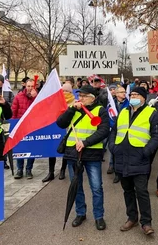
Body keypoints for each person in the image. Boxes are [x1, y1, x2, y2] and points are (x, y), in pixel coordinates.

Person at [109, 87, 158, 235]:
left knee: (142, 192)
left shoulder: (152, 113)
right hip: (122, 158)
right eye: (131, 94)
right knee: (127, 191)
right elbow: (114, 131)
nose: (133, 96)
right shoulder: (123, 111)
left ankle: (146, 222)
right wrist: (112, 147)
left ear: (144, 98)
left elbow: (157, 136)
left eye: (136, 94)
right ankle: (132, 218)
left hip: (139, 158)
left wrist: (146, 151)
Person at [56, 85, 110, 230]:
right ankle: (80, 213)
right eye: (79, 96)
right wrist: (71, 109)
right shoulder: (73, 108)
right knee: (76, 186)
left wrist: (86, 142)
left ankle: (99, 216)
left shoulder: (100, 110)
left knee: (96, 187)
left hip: (92, 154)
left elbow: (104, 130)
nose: (80, 98)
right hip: (73, 154)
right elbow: (60, 123)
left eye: (84, 96)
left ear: (92, 98)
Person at [42, 83, 75, 182]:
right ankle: (51, 172)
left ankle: (62, 170)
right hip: (55, 128)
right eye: (63, 91)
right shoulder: (56, 101)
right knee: (52, 150)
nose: (64, 93)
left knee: (64, 150)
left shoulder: (74, 101)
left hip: (67, 129)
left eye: (67, 91)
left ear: (70, 92)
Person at [13, 78, 37, 179]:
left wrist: (35, 98)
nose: (30, 88)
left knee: (32, 148)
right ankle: (19, 169)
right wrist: (13, 125)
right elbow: (13, 111)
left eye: (32, 86)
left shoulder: (38, 97)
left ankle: (29, 169)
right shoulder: (18, 96)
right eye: (28, 86)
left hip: (32, 126)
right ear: (25, 86)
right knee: (20, 148)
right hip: (20, 126)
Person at [108, 84, 129, 183]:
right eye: (121, 92)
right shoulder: (111, 104)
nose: (124, 94)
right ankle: (116, 171)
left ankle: (124, 170)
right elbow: (108, 116)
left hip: (125, 131)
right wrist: (114, 125)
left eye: (125, 92)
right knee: (114, 151)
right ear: (116, 94)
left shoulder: (129, 104)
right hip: (113, 130)